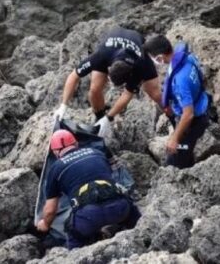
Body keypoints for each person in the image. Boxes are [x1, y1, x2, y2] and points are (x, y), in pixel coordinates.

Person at [36, 130, 141, 249]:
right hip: (119, 209)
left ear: (55, 152)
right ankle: (144, 239)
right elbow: (116, 175)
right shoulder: (97, 152)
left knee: (74, 239)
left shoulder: (55, 169)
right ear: (76, 144)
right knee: (133, 214)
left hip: (88, 218)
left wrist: (44, 224)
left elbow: (50, 210)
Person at [54, 27, 161, 130]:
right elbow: (74, 76)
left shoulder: (140, 65)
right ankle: (99, 117)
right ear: (108, 69)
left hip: (137, 43)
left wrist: (109, 118)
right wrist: (63, 106)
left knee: (154, 91)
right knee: (94, 90)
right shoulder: (100, 56)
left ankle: (172, 117)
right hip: (110, 47)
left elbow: (128, 94)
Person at [144, 35, 210, 169]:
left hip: (193, 121)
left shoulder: (180, 81)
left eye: (153, 58)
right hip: (201, 103)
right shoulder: (188, 57)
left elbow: (188, 114)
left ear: (160, 58)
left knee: (174, 165)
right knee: (186, 156)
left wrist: (174, 138)